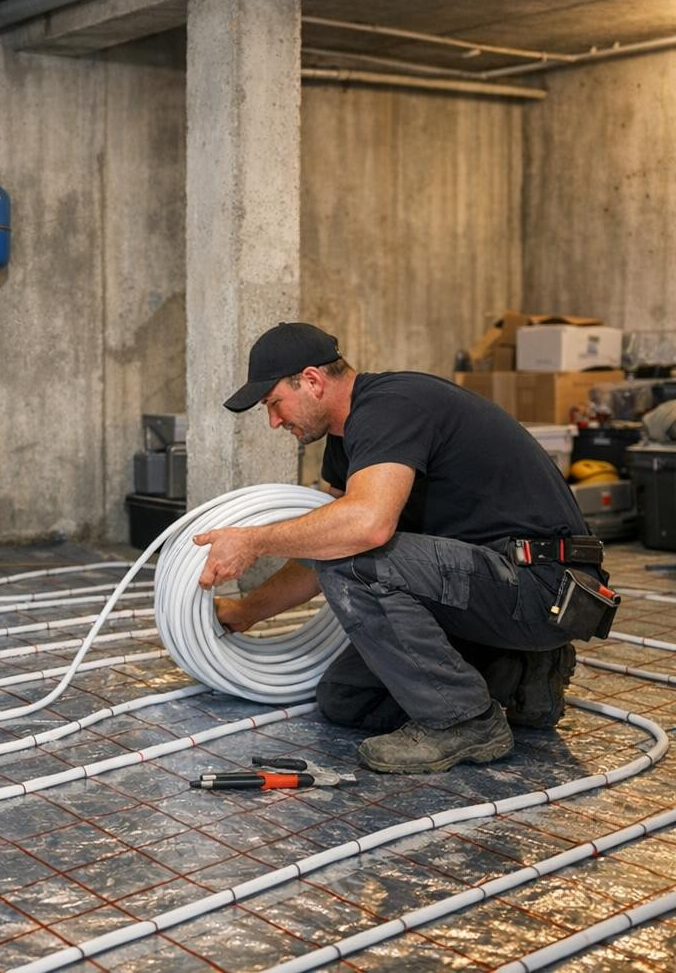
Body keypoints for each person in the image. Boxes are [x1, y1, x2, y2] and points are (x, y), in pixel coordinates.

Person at [193, 322, 612, 774]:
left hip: (544, 585)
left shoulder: (391, 405)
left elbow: (366, 530)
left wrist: (254, 540)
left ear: (312, 381)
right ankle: (518, 672)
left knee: (355, 562)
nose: (274, 420)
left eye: (274, 403)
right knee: (346, 698)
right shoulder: (344, 441)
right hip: (491, 589)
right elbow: (322, 553)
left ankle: (465, 721)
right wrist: (247, 612)